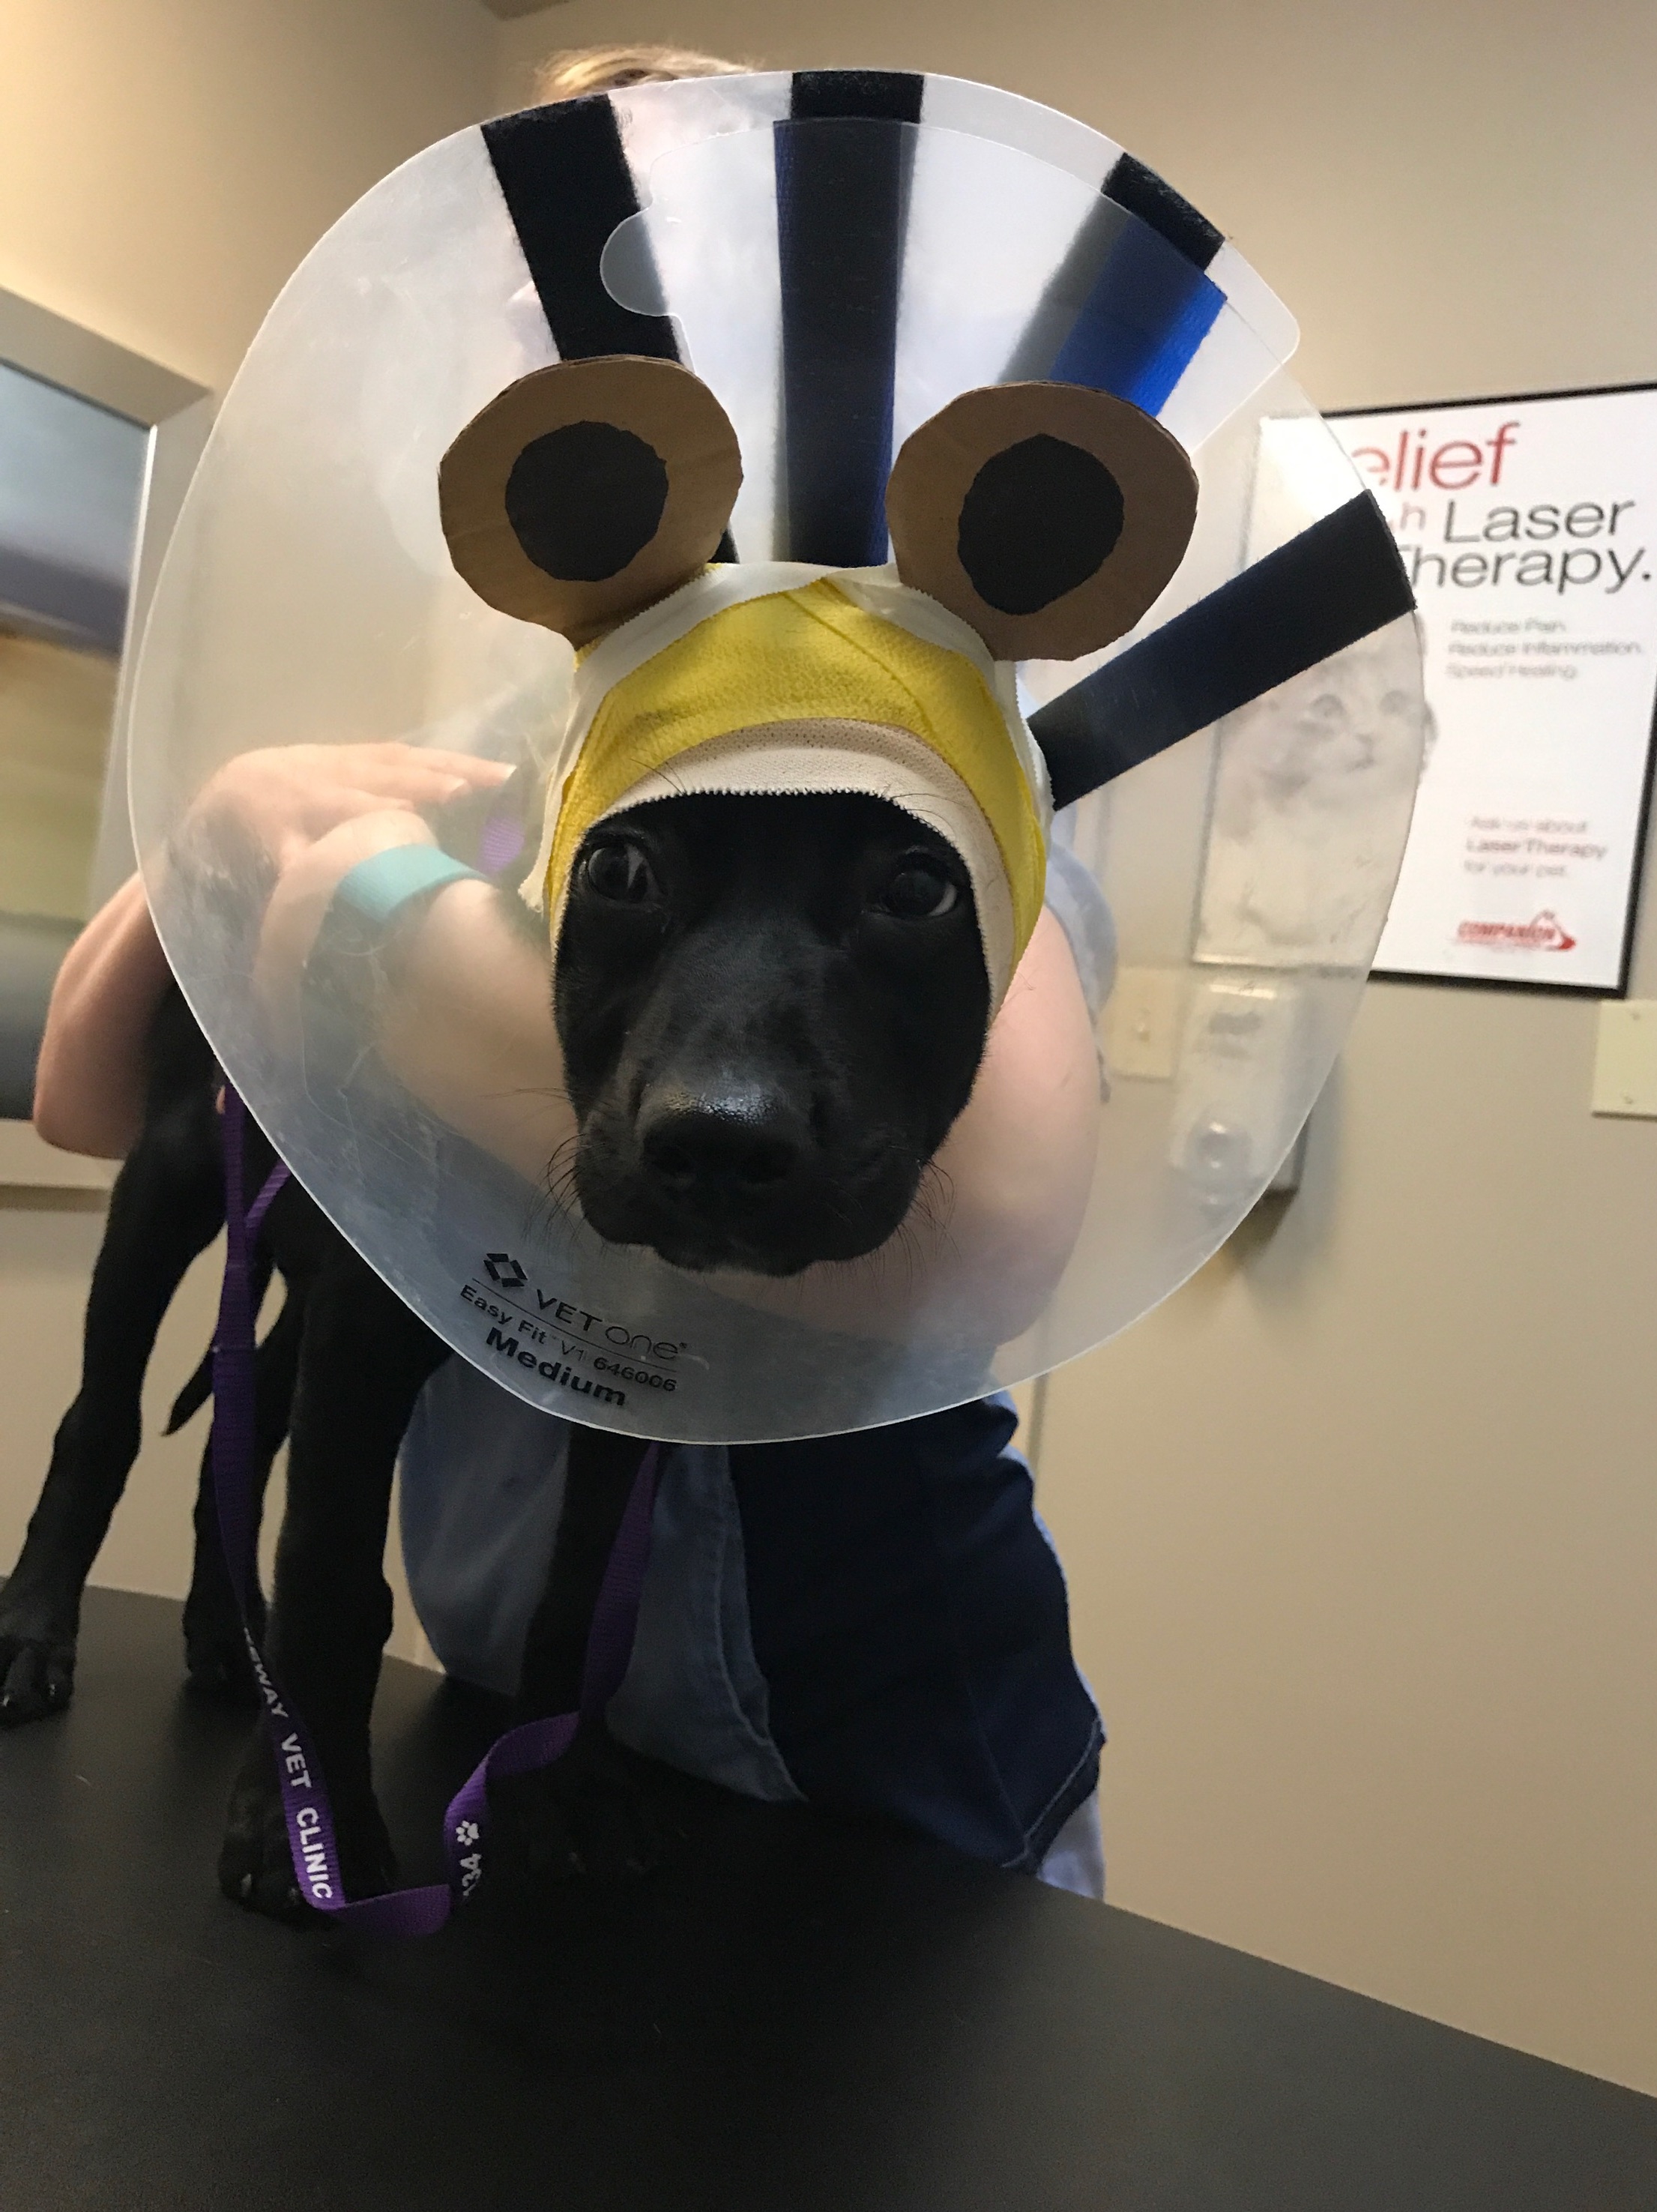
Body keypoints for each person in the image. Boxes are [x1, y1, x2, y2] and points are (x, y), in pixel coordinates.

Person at [37, 44, 1108, 1899]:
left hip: (879, 1743)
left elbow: (994, 1241)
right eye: (549, 321)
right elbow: (82, 1088)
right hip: (518, 1719)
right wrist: (217, 814)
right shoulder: (518, 760)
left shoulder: (938, 769)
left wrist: (353, 900)